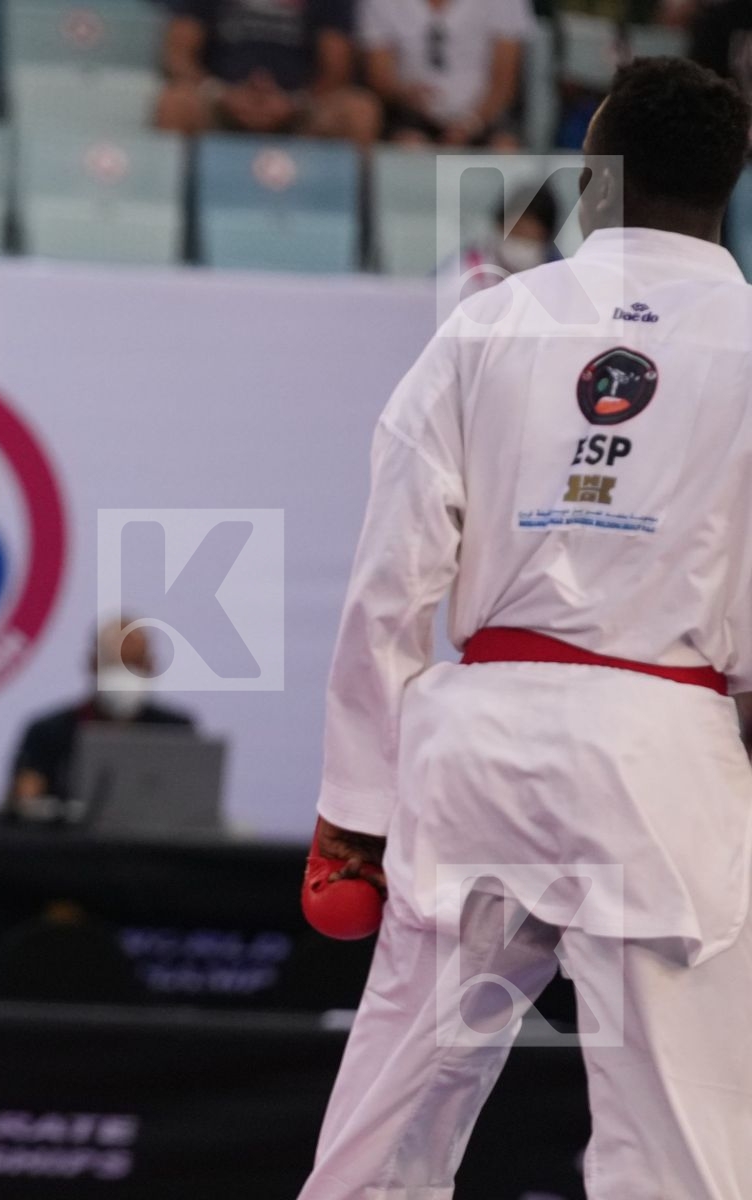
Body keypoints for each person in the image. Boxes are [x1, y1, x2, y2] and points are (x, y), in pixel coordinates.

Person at [301, 58, 752, 1197]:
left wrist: (354, 808)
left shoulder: (485, 325)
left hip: (478, 747)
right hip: (666, 756)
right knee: (679, 1153)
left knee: (386, 1129)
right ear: (731, 187)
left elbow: (392, 583)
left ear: (592, 179)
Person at [4, 617, 195, 824]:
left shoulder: (176, 732)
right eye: (114, 664)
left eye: (134, 663)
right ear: (93, 664)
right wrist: (27, 800)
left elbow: (196, 806)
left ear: (151, 665)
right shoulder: (49, 732)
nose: (125, 674)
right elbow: (24, 803)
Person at [154, 0, 382, 145]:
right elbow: (178, 55)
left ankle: (337, 214)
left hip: (300, 110)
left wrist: (295, 102)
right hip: (220, 103)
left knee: (358, 111)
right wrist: (220, 94)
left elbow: (337, 68)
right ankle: (164, 214)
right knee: (176, 103)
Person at [360, 0, 533, 148]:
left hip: (486, 116)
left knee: (504, 149)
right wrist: (405, 93)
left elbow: (504, 82)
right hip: (411, 115)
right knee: (409, 148)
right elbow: (379, 77)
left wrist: (469, 124)